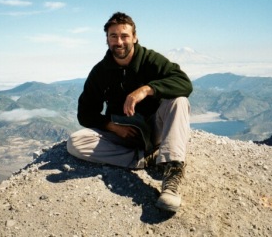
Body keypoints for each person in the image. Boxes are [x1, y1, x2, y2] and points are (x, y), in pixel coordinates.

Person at [67, 12, 193, 212]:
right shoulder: (101, 71)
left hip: (155, 128)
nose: (119, 41)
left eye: (124, 36)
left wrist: (145, 90)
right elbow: (85, 113)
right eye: (113, 36)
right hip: (125, 134)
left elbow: (184, 84)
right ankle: (143, 159)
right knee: (75, 142)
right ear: (107, 39)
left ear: (134, 37)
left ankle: (172, 172)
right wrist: (113, 127)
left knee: (179, 101)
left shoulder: (151, 60)